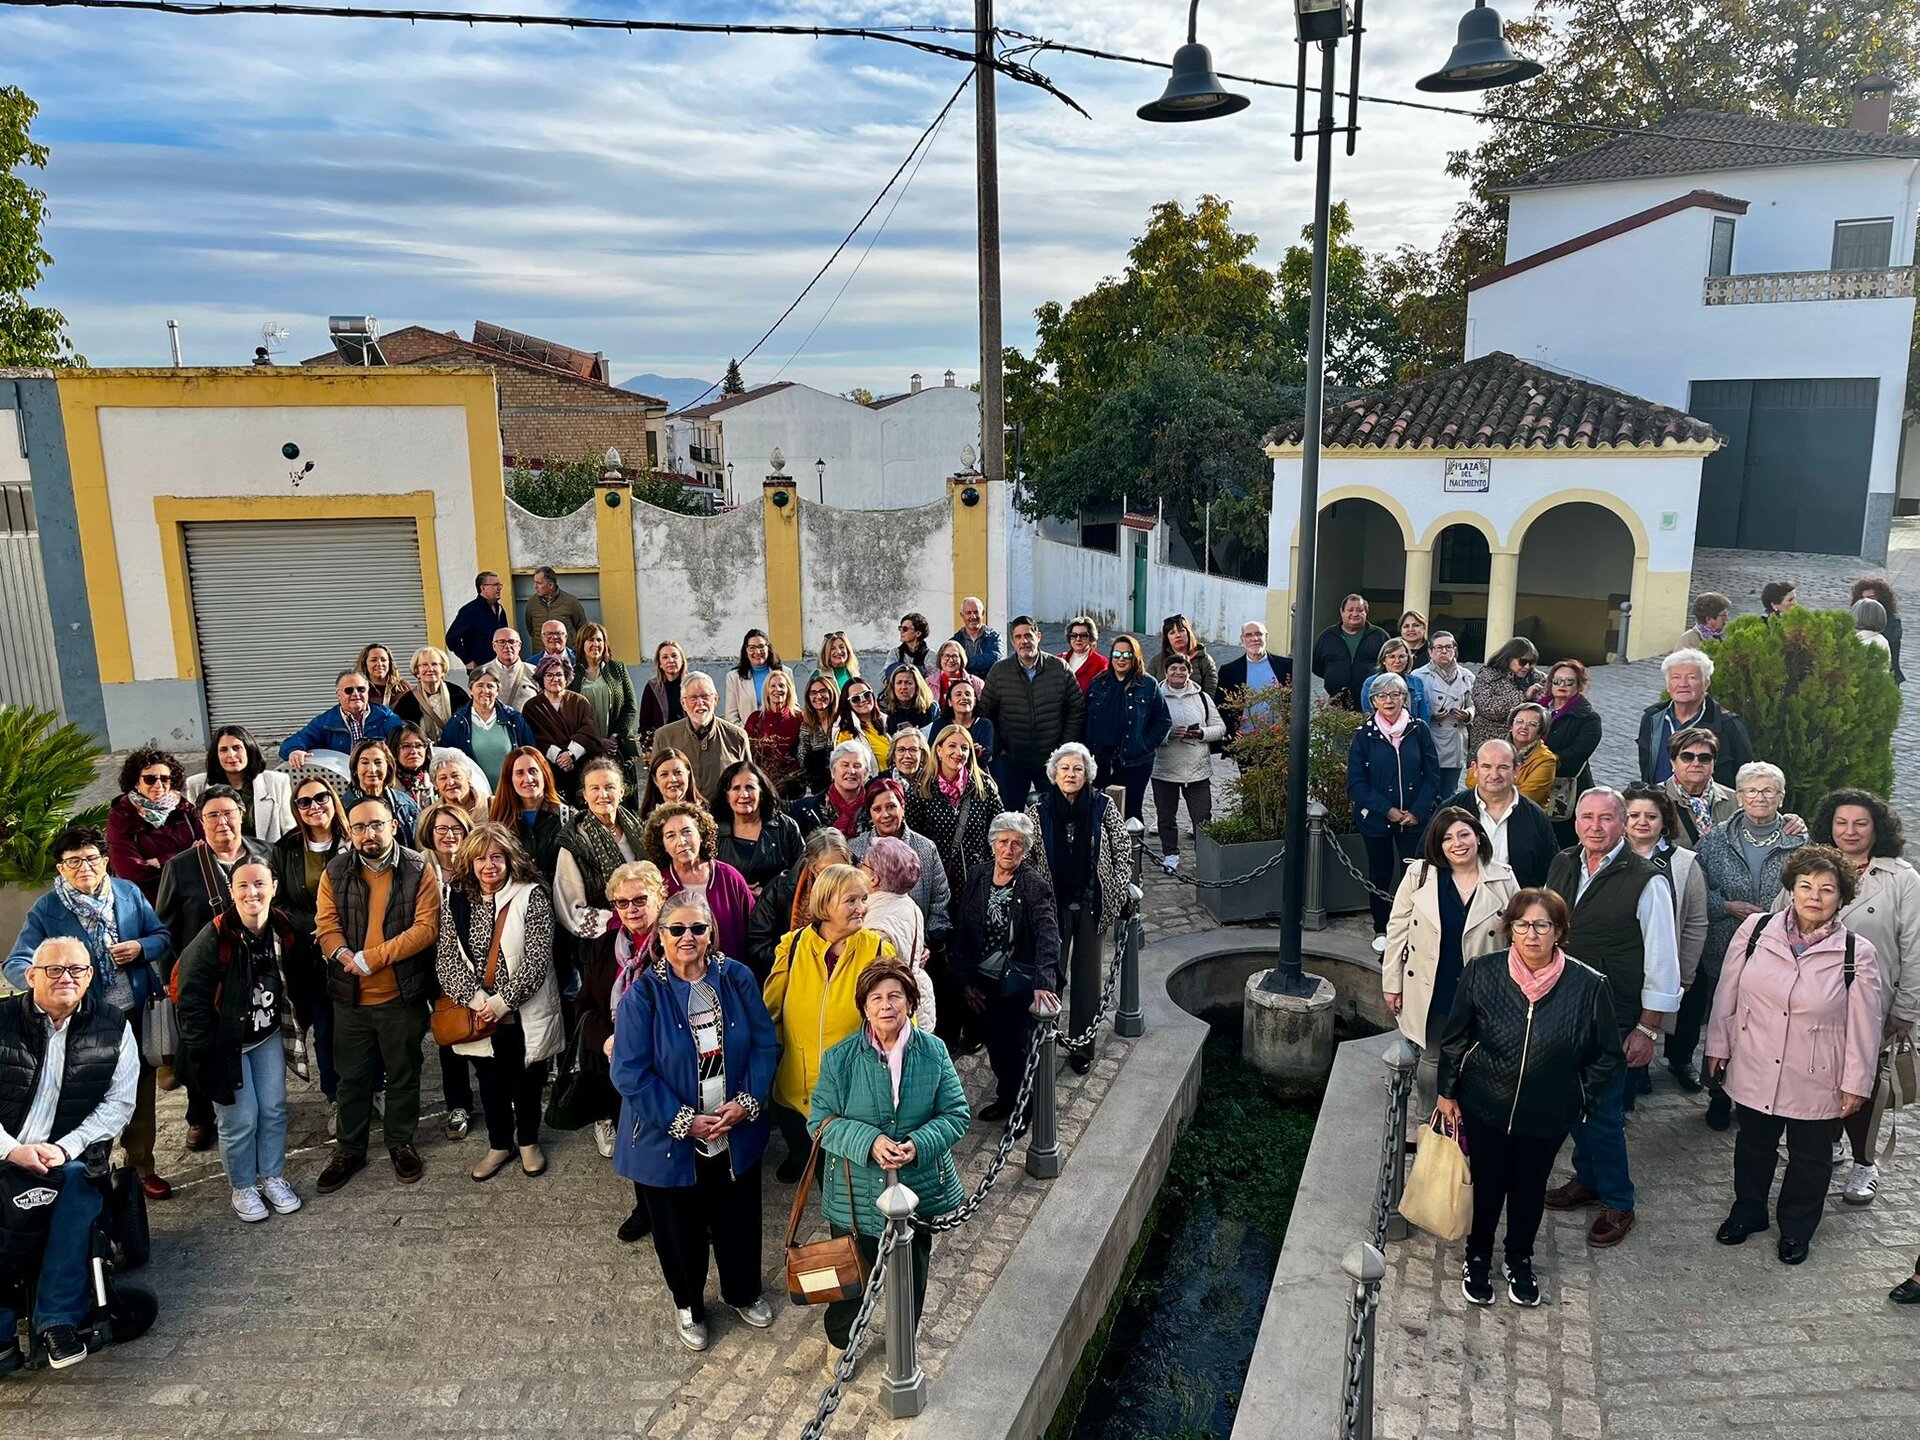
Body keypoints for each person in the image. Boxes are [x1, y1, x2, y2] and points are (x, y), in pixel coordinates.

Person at [1436, 889, 1622, 1308]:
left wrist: (1579, 1096)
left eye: (1542, 925)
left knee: (1529, 1187)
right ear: (1509, 929)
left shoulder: (1588, 985)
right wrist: (1447, 1091)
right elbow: (1456, 1037)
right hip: (1486, 1103)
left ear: (1559, 932)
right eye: (1522, 924)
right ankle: (1478, 1257)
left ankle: (1520, 1258)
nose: (1531, 935)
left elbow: (1608, 1054)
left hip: (1548, 1113)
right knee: (1486, 1184)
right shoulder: (1483, 972)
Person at [612, 891, 777, 1352]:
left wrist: (747, 1101)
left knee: (739, 1217)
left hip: (734, 1128)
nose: (688, 937)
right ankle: (688, 1304)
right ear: (660, 936)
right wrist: (683, 1120)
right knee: (678, 1229)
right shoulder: (643, 993)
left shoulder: (737, 978)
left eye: (698, 928)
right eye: (677, 929)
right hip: (669, 1139)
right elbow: (628, 1071)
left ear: (711, 933)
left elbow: (765, 1045)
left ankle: (743, 1291)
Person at [1707, 846, 1881, 1265]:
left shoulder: (1856, 953)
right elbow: (1726, 994)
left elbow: (1865, 1028)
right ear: (1791, 889)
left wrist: (1856, 1084)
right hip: (1755, 1062)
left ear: (1841, 897)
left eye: (1826, 889)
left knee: (1811, 1157)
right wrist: (1718, 1047)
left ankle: (1797, 1228)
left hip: (1817, 1073)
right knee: (1753, 1145)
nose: (1814, 896)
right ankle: (1748, 1212)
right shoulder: (1754, 930)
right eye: (1805, 886)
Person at [808, 959, 968, 1364]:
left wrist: (918, 1143)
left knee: (912, 1270)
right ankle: (841, 1341)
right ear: (864, 1006)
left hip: (917, 1188)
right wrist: (870, 1140)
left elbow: (956, 1113)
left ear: (910, 1002)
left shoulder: (933, 1052)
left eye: (895, 996)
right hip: (855, 1191)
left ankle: (902, 1339)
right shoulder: (840, 1057)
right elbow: (820, 1122)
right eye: (876, 998)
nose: (886, 1006)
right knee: (851, 1273)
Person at [1542, 788, 1682, 1248]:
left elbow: (1662, 960)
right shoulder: (1563, 861)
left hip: (1616, 1015)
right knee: (1570, 1102)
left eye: (1606, 818)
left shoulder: (1647, 879)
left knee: (1601, 1112)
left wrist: (1648, 1027)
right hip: (1563, 1007)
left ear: (1623, 824)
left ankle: (1619, 1201)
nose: (1595, 827)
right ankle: (1587, 1180)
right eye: (1587, 817)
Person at [5, 826, 171, 1200]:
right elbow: (17, 962)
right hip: (84, 1023)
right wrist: (49, 979)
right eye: (73, 861)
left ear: (105, 861)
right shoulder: (48, 909)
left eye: (92, 859)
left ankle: (142, 1168)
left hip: (135, 1010)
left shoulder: (126, 893)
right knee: (90, 1095)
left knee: (140, 1094)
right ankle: (91, 1169)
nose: (85, 867)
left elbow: (162, 935)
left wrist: (141, 948)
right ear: (61, 869)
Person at [0, 938, 139, 1371]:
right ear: (31, 976)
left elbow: (119, 1103)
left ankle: (57, 1320)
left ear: (90, 976)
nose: (67, 978)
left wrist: (65, 1147)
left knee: (79, 1191)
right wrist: (13, 1150)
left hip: (68, 1155)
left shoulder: (113, 1025)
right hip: (5, 1149)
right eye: (55, 970)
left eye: (77, 970)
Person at [313, 794, 442, 1194]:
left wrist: (373, 958)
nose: (368, 834)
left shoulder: (419, 868)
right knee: (351, 1078)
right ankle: (349, 1150)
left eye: (376, 825)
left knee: (403, 1074)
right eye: (359, 827)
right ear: (349, 832)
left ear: (392, 825)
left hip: (400, 995)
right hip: (350, 997)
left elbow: (426, 928)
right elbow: (326, 923)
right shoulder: (335, 870)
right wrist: (342, 953)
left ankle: (400, 1142)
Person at [1807, 789, 1920, 1205]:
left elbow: (1915, 949)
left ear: (1878, 828)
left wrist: (1906, 1009)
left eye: (1860, 823)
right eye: (1841, 822)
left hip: (1872, 1005)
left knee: (1865, 1086)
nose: (1850, 831)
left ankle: (1865, 1162)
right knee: (1818, 1076)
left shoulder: (1902, 880)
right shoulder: (1812, 867)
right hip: (1812, 1001)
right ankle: (1828, 1142)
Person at [174, 861, 302, 1224]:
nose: (252, 893)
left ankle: (272, 1176)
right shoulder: (213, 937)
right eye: (242, 886)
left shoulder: (283, 926)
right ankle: (243, 1185)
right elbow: (192, 1000)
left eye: (260, 884)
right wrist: (203, 1056)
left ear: (274, 887)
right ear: (231, 891)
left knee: (274, 1109)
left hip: (266, 1035)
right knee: (240, 1119)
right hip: (225, 1044)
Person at [436, 823, 562, 1181]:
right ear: (469, 862)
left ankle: (528, 1142)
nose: (488, 865)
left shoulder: (531, 894)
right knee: (489, 1081)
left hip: (522, 1011)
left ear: (509, 858)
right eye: (480, 858)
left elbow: (538, 958)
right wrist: (478, 1001)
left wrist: (503, 1002)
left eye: (496, 856)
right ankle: (499, 1144)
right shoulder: (455, 897)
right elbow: (446, 957)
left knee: (527, 1079)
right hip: (478, 1013)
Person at [1686, 761, 1806, 1130]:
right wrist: (1725, 907)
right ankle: (1718, 1093)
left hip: (1780, 952)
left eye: (1769, 790)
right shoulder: (1714, 841)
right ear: (1738, 796)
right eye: (1752, 791)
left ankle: (1753, 1097)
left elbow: (1809, 895)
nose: (1760, 797)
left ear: (1781, 796)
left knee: (1765, 1028)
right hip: (1726, 947)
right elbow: (1693, 899)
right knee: (1723, 1022)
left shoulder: (1798, 841)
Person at [156, 784, 274, 1151]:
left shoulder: (265, 853)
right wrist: (169, 979)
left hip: (256, 972)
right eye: (213, 815)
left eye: (229, 813)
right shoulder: (181, 866)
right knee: (200, 1047)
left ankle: (247, 1105)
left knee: (250, 1043)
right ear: (201, 822)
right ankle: (200, 1116)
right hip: (204, 978)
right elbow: (165, 927)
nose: (222, 822)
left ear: (242, 815)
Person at [1383, 808, 1517, 1122]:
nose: (1456, 843)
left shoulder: (1503, 879)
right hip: (1434, 984)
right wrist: (1392, 982)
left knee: (1475, 1058)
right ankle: (1427, 1120)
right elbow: (1397, 930)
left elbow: (1516, 937)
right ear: (1437, 845)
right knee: (1431, 1059)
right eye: (1447, 838)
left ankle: (1468, 1124)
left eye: (1463, 834)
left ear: (1478, 837)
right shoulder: (1420, 876)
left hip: (1482, 991)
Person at [763, 863, 893, 1179]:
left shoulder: (878, 950)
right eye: (851, 900)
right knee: (821, 1177)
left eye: (864, 899)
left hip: (853, 1102)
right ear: (825, 904)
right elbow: (770, 1013)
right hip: (798, 1095)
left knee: (848, 1189)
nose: (861, 908)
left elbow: (900, 1026)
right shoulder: (792, 946)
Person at [951, 812, 1061, 1123]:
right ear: (993, 844)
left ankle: (1024, 1110)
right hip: (981, 982)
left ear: (1025, 849)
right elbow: (962, 930)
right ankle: (1006, 1098)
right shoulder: (978, 875)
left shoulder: (1032, 885)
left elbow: (1048, 935)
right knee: (996, 1048)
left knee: (1018, 1049)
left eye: (1017, 844)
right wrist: (964, 982)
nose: (1009, 849)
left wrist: (1044, 982)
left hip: (1015, 984)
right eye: (1003, 842)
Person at [1621, 787, 1709, 1103]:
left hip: (1658, 966)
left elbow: (1696, 923)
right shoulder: (1605, 855)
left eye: (1651, 816)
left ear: (1664, 821)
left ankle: (1639, 1073)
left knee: (1646, 1025)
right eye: (1633, 815)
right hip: (1618, 968)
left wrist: (1684, 974)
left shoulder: (1685, 864)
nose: (1641, 822)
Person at [272, 777, 349, 1135]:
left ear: (333, 800)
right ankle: (336, 1098)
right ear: (296, 810)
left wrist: (336, 928)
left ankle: (373, 1089)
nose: (315, 806)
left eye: (321, 797)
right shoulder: (286, 848)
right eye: (305, 802)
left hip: (354, 951)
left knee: (361, 1028)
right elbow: (278, 901)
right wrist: (316, 925)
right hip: (307, 956)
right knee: (325, 1030)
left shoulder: (353, 841)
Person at [583, 859, 665, 1183]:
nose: (631, 909)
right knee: (632, 1140)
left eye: (641, 899)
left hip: (664, 1066)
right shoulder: (605, 947)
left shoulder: (674, 942)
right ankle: (644, 1207)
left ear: (660, 896)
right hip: (618, 1063)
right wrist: (605, 1039)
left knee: (665, 1141)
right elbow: (586, 1005)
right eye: (622, 902)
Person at [1348, 674, 1442, 950]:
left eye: (1395, 694)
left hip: (1414, 819)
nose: (1389, 701)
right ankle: (1381, 927)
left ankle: (1411, 926)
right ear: (1373, 701)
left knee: (1414, 874)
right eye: (1382, 696)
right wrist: (1386, 809)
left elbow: (1432, 774)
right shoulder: (1363, 734)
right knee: (1380, 873)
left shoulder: (1419, 729)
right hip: (1377, 820)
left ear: (1405, 697)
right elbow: (1356, 783)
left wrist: (1418, 811)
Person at [414, 801, 482, 1143]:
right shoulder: (418, 868)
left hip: (477, 959)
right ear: (430, 832)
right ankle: (458, 1104)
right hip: (431, 960)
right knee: (449, 1029)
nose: (449, 835)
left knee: (485, 1028)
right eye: (442, 829)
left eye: (456, 829)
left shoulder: (477, 864)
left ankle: (494, 1095)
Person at [980, 614, 1086, 812]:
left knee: (1055, 814)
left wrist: (1063, 747)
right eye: (1018, 637)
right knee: (1011, 816)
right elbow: (986, 714)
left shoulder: (1059, 668)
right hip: (1012, 760)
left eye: (1028, 635)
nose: (1024, 641)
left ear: (1039, 636)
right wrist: (1000, 748)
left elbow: (1076, 708)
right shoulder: (999, 672)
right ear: (1012, 641)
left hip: (1051, 759)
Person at [553, 757, 648, 954]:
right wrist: (621, 921)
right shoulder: (575, 844)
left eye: (610, 787)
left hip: (649, 939)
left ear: (622, 792)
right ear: (585, 795)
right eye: (594, 788)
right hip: (603, 948)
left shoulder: (641, 832)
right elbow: (571, 912)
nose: (602, 795)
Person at [909, 723, 1005, 913]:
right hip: (937, 881)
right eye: (952, 746)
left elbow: (1000, 827)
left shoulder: (984, 786)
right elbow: (911, 837)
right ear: (938, 750)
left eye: (964, 747)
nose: (958, 752)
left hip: (978, 880)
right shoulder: (921, 788)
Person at [646, 801, 755, 968]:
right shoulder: (658, 883)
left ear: (701, 834)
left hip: (731, 977)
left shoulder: (729, 876)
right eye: (670, 835)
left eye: (687, 832)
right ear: (663, 844)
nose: (681, 841)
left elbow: (756, 928)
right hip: (678, 981)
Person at [1636, 648, 1755, 790]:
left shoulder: (1726, 724)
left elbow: (1746, 776)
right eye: (1676, 677)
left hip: (1708, 808)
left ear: (1706, 684)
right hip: (1660, 804)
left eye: (1691, 677)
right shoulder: (1652, 719)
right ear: (1668, 685)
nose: (1683, 684)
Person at [1443, 740, 1556, 889]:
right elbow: (1428, 857)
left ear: (1516, 770)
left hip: (1515, 905)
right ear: (1475, 769)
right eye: (1486, 767)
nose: (1494, 775)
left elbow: (1550, 871)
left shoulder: (1536, 817)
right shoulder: (1450, 810)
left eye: (1503, 767)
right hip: (1459, 901)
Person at [748, 827, 854, 983]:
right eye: (825, 872)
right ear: (811, 866)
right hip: (793, 980)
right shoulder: (781, 890)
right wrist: (796, 960)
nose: (833, 879)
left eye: (840, 870)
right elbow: (758, 943)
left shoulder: (861, 894)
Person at [1087, 634, 1172, 824]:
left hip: (1135, 762)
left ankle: (1133, 853)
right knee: (1099, 812)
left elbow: (1163, 721)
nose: (1121, 659)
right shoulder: (1099, 683)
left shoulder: (1148, 684)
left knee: (1131, 813)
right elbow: (1087, 720)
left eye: (1127, 655)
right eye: (1117, 654)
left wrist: (1144, 744)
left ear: (1136, 657)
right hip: (1100, 761)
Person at [1152, 655, 1226, 872]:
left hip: (1197, 769)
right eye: (1173, 668)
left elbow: (1220, 728)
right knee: (1166, 816)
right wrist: (1168, 734)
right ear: (1166, 672)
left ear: (1189, 671)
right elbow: (1147, 731)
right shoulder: (1156, 696)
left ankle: (1203, 856)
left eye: (1182, 669)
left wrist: (1202, 732)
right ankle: (1170, 854)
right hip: (1165, 768)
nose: (1178, 672)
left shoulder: (1202, 697)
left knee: (1202, 816)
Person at [857, 839, 936, 1033]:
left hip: (889, 1014)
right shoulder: (909, 904)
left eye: (863, 864)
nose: (858, 867)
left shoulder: (875, 925)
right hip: (916, 996)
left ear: (874, 879)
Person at [106, 748, 198, 903]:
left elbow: (207, 849)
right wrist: (187, 856)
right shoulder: (121, 815)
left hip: (191, 896)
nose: (158, 785)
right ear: (136, 781)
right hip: (149, 902)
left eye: (164, 779)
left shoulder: (184, 808)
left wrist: (159, 861)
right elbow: (130, 870)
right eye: (150, 779)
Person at [653, 672, 752, 802]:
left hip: (724, 817)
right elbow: (655, 785)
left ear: (715, 699)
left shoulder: (736, 736)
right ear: (683, 703)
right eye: (693, 698)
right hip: (681, 816)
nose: (700, 703)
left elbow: (749, 782)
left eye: (705, 696)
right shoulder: (665, 736)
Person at [187, 725, 294, 844]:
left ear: (249, 750)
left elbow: (289, 830)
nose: (231, 755)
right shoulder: (196, 785)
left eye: (237, 748)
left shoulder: (276, 781)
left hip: (267, 857)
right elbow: (197, 831)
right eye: (223, 750)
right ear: (215, 755)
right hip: (219, 857)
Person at [711, 760, 803, 897]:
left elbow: (803, 876)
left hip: (777, 912)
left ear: (761, 791)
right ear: (726, 795)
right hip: (730, 911)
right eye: (736, 788)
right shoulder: (713, 831)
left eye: (750, 787)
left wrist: (768, 893)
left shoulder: (786, 827)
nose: (744, 795)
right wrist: (738, 890)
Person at [280, 669, 405, 766]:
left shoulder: (384, 715)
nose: (356, 694)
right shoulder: (325, 721)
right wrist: (294, 751)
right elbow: (295, 741)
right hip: (342, 778)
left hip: (377, 774)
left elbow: (404, 734)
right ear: (339, 695)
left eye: (361, 689)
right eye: (349, 690)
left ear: (368, 692)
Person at [440, 670, 537, 788]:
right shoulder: (457, 722)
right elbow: (446, 759)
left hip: (511, 791)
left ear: (497, 691)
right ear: (470, 690)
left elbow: (531, 752)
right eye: (480, 685)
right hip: (475, 794)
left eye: (490, 686)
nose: (485, 690)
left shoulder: (513, 718)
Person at [524, 654, 603, 796]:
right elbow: (535, 737)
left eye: (559, 674)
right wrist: (559, 756)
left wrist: (571, 754)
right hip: (549, 770)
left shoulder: (580, 702)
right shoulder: (532, 707)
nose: (555, 679)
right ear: (541, 678)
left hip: (581, 767)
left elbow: (589, 730)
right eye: (549, 675)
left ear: (566, 678)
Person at [569, 622, 640, 780]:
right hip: (586, 748)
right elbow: (570, 716)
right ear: (582, 644)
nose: (595, 644)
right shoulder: (572, 673)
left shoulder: (617, 668)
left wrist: (615, 737)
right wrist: (596, 741)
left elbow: (630, 707)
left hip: (618, 746)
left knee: (625, 795)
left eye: (599, 640)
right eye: (590, 640)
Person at [489, 747, 571, 885]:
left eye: (533, 771)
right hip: (518, 902)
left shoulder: (566, 817)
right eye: (519, 773)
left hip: (559, 900)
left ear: (544, 774)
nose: (528, 779)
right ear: (510, 779)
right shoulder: (499, 822)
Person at [1542, 660, 1601, 844]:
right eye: (1557, 681)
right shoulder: (1537, 709)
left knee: (1561, 841)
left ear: (1579, 685)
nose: (1562, 686)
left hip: (1565, 790)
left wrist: (1539, 762)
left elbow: (1575, 756)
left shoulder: (1588, 718)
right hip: (1529, 785)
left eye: (1569, 682)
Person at [1413, 632, 1474, 799]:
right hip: (1430, 737)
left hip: (1456, 739)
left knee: (1450, 794)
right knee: (1428, 792)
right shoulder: (1418, 676)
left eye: (1448, 647)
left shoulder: (1467, 676)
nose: (1443, 651)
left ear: (1455, 650)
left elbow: (1473, 705)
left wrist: (1467, 714)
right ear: (1430, 652)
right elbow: (1413, 709)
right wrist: (1430, 715)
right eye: (1439, 647)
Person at [1311, 594, 1388, 711]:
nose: (1355, 614)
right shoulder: (1327, 636)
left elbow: (1388, 663)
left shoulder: (1380, 636)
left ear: (1366, 612)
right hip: (1336, 706)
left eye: (1359, 610)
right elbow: (1316, 665)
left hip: (1371, 704)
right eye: (1350, 610)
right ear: (1342, 612)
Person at [1468, 639, 1546, 755]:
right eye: (1523, 661)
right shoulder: (1488, 676)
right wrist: (1523, 697)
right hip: (1490, 743)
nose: (1527, 666)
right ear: (1509, 657)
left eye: (1532, 662)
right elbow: (1488, 709)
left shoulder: (1537, 678)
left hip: (1524, 745)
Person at [1661, 727, 1735, 847]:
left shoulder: (1735, 801)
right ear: (1673, 762)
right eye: (1687, 757)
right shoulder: (1655, 799)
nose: (1696, 763)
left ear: (1713, 763)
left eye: (1704, 758)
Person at [1217, 620, 1291, 738]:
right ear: (1242, 640)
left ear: (1266, 637)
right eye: (1248, 635)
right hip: (1245, 741)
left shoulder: (1287, 666)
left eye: (1258, 634)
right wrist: (1231, 731)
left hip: (1279, 738)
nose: (1254, 638)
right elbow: (1222, 706)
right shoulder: (1229, 671)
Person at [792, 739, 877, 841]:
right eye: (845, 765)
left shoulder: (876, 807)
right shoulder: (805, 810)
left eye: (857, 766)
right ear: (832, 771)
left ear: (866, 774)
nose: (851, 771)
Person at [343, 739, 421, 845]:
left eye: (378, 762)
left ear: (388, 768)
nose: (372, 769)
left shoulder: (406, 803)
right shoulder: (342, 807)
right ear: (355, 769)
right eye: (365, 762)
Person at [745, 667, 805, 798]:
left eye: (782, 686)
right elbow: (747, 754)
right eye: (773, 686)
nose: (777, 690)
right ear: (767, 691)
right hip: (763, 786)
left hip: (792, 788)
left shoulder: (799, 718)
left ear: (788, 690)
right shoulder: (755, 719)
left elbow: (803, 752)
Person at [395, 645, 468, 742]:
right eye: (424, 665)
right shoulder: (407, 702)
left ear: (443, 669)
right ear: (417, 671)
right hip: (424, 753)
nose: (430, 669)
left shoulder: (458, 694)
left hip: (455, 752)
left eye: (434, 664)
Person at [1491, 703, 1558, 808]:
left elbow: (1526, 796)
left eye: (1532, 724)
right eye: (1519, 721)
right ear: (1511, 725)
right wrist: (1514, 788)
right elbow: (1472, 779)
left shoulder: (1547, 760)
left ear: (1540, 731)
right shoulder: (1493, 748)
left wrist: (1490, 787)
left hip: (1524, 815)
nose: (1524, 727)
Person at [446, 570, 509, 678]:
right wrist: (467, 660)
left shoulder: (499, 609)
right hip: (481, 670)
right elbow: (451, 638)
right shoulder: (470, 611)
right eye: (495, 585)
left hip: (501, 667)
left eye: (499, 585)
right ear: (483, 588)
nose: (499, 588)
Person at [723, 628, 786, 726]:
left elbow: (792, 705)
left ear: (768, 648)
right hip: (747, 736)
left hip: (780, 734)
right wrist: (746, 734)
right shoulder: (734, 677)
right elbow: (731, 715)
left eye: (761, 646)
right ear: (746, 651)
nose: (757, 652)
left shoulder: (784, 673)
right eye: (752, 648)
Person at [1360, 638, 1432, 722]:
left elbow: (1425, 715)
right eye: (1391, 657)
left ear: (1408, 659)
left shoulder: (1416, 682)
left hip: (1412, 732)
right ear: (1383, 660)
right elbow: (1368, 714)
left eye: (1401, 656)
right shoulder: (1370, 683)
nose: (1397, 661)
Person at [936, 669, 997, 766]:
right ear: (950, 702)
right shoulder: (940, 724)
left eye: (968, 694)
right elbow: (934, 752)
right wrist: (972, 750)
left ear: (975, 701)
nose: (964, 697)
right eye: (958, 694)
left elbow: (984, 757)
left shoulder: (984, 724)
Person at [795, 673, 843, 796]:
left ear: (831, 693)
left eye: (823, 691)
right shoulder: (807, 726)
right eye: (813, 693)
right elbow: (802, 756)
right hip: (820, 786)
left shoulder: (842, 719)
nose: (818, 696)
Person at [1149, 614, 1218, 697]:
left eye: (1181, 630)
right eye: (1172, 632)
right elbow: (1149, 689)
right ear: (1167, 638)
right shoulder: (1157, 661)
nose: (1178, 635)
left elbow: (1210, 694)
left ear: (1188, 633)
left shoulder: (1205, 660)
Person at [638, 640, 689, 751]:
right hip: (662, 746)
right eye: (665, 657)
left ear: (682, 660)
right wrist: (648, 749)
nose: (670, 660)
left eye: (674, 656)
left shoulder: (692, 684)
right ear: (660, 664)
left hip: (689, 744)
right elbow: (644, 724)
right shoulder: (652, 687)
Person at [1851, 577, 1903, 682]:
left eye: (1871, 598)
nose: (1867, 603)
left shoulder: (1892, 622)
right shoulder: (1854, 621)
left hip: (1887, 677)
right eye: (1863, 599)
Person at [834, 677, 892, 771]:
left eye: (866, 694)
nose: (863, 700)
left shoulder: (887, 721)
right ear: (848, 703)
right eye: (855, 699)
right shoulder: (845, 734)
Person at [475, 629, 540, 714]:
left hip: (526, 725)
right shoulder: (480, 673)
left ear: (519, 645)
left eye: (512, 641)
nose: (507, 646)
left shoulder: (535, 672)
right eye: (502, 642)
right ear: (494, 646)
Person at [522, 565, 588, 648]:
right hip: (540, 655)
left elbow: (582, 629)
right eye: (535, 582)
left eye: (539, 583)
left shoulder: (571, 602)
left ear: (550, 585)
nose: (535, 586)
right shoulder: (532, 602)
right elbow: (530, 629)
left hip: (566, 655)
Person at [389, 727, 439, 816]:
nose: (414, 751)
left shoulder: (436, 781)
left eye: (419, 745)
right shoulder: (388, 786)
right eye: (406, 746)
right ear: (394, 750)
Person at [951, 595, 1001, 679]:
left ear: (983, 614)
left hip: (989, 686)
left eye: (976, 612)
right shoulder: (955, 641)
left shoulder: (994, 637)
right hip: (963, 686)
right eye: (968, 613)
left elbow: (994, 659)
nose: (973, 617)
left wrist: (964, 661)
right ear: (962, 615)